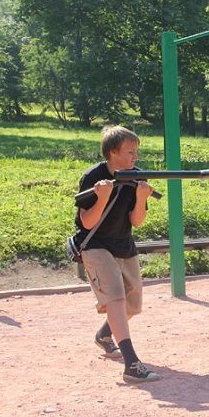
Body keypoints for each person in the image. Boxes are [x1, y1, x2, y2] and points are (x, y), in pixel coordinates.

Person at [73, 125, 159, 383]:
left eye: (136, 152)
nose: (135, 157)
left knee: (133, 304)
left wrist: (142, 197)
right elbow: (87, 222)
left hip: (124, 244)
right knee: (116, 299)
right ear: (112, 152)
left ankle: (104, 335)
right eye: (130, 152)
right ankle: (131, 364)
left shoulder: (136, 176)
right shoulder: (93, 176)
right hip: (96, 245)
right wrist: (102, 197)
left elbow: (137, 220)